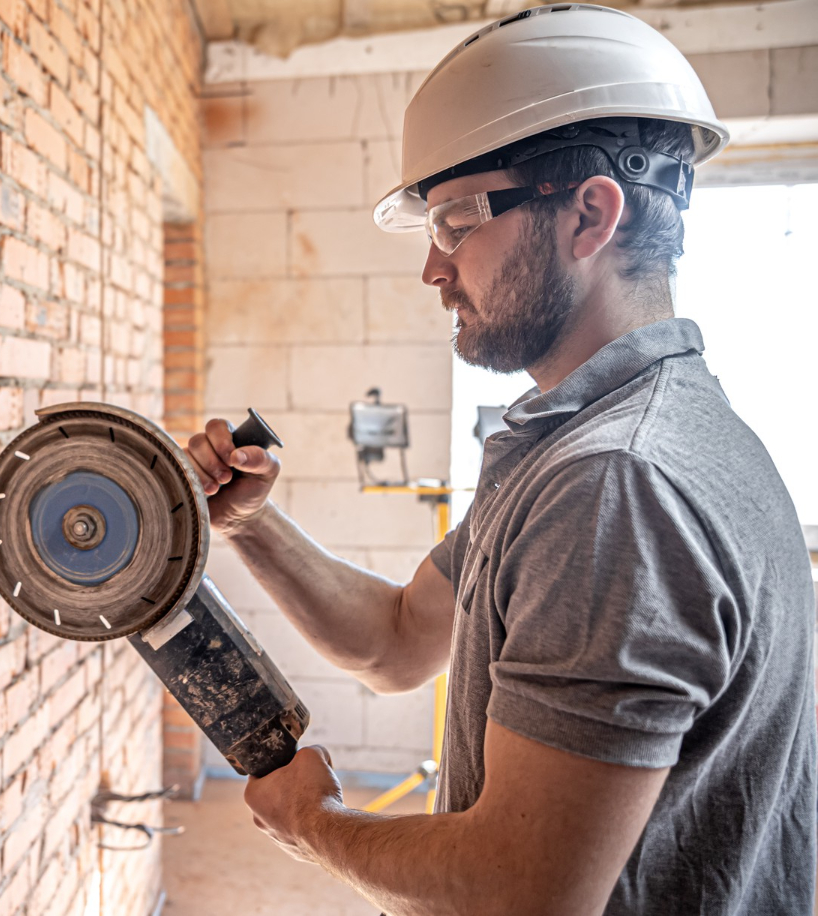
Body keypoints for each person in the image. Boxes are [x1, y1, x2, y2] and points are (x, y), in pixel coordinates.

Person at [187, 5, 817, 914]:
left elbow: (520, 894)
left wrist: (315, 826)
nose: (432, 271)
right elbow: (400, 640)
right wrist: (251, 525)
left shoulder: (617, 484)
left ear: (590, 214)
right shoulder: (585, 441)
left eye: (455, 222)